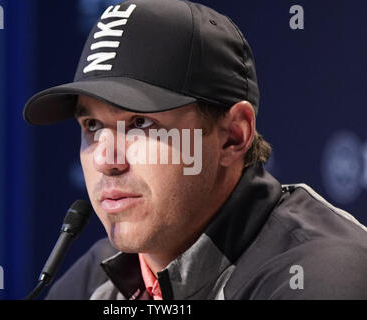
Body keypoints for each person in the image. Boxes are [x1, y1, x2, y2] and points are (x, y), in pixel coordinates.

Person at [23, 0, 367, 300]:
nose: (104, 160)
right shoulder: (94, 282)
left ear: (232, 136)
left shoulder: (321, 276)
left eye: (140, 123)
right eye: (92, 126)